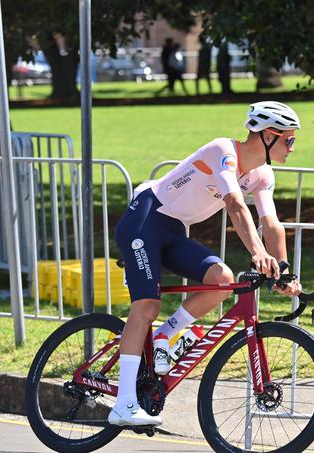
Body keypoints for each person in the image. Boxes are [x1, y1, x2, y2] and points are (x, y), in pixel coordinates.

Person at [108, 101, 303, 426]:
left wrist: (284, 270)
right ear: (269, 135)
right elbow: (235, 204)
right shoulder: (223, 151)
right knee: (146, 307)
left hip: (171, 230)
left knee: (222, 279)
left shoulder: (262, 174)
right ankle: (124, 403)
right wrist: (257, 253)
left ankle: (163, 338)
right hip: (144, 219)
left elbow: (271, 224)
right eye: (289, 140)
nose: (292, 148)